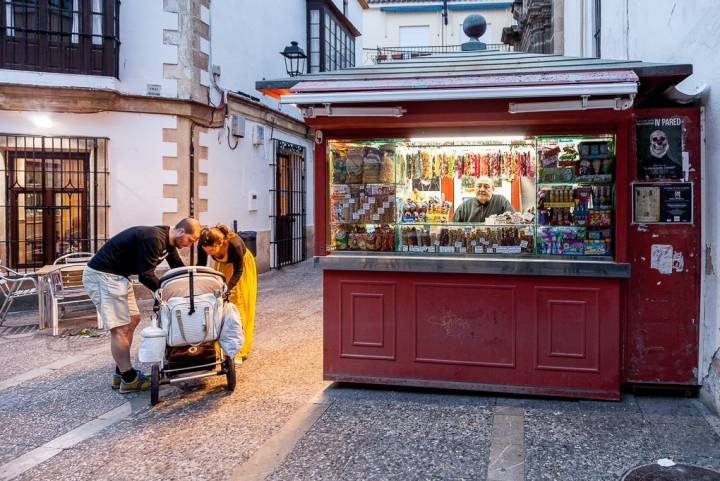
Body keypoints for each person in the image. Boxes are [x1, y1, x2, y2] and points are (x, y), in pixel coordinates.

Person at [82, 218, 201, 393]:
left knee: (132, 320)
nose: (190, 245)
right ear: (181, 232)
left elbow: (178, 269)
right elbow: (145, 276)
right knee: (120, 328)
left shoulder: (168, 242)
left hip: (119, 277)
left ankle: (121, 373)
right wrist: (167, 293)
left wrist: (192, 289)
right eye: (191, 240)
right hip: (104, 276)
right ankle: (129, 379)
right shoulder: (154, 239)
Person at [197, 224, 257, 362]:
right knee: (218, 306)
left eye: (212, 251)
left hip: (240, 270)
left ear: (221, 243)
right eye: (207, 251)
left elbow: (238, 271)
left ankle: (238, 351)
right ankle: (217, 348)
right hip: (222, 268)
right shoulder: (204, 243)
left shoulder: (234, 245)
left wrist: (227, 289)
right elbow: (200, 265)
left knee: (238, 307)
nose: (209, 254)